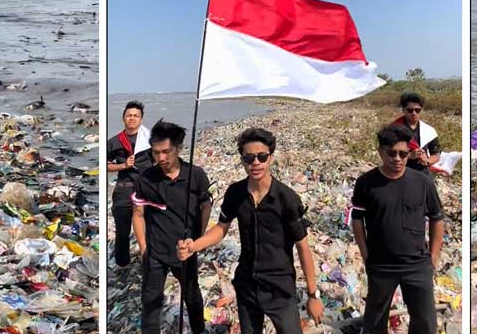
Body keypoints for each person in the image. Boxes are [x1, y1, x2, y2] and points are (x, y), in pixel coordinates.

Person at [177, 128, 323, 334]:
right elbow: (221, 228)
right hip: (247, 284)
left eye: (261, 157)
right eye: (249, 158)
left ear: (270, 158)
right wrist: (194, 245)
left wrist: (313, 295)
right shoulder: (235, 193)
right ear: (242, 159)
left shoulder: (287, 198)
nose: (255, 163)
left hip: (279, 286)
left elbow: (302, 246)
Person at [350, 125, 444, 334]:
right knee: (374, 322)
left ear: (409, 154)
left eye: (403, 154)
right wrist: (366, 255)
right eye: (391, 153)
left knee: (426, 321)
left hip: (417, 265)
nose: (397, 159)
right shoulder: (366, 183)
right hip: (381, 266)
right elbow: (357, 219)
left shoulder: (422, 182)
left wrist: (434, 256)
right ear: (381, 151)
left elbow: (437, 218)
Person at [131, 120, 212, 334]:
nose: (161, 158)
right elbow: (138, 213)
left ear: (179, 148)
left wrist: (198, 241)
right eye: (156, 152)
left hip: (185, 249)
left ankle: (198, 329)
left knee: (192, 295)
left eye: (166, 151)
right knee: (150, 301)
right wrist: (143, 247)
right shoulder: (146, 179)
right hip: (155, 251)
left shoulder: (195, 175)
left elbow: (206, 206)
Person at [106, 101, 152, 268]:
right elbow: (104, 165)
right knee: (122, 230)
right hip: (124, 189)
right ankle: (122, 264)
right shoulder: (114, 142)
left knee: (150, 226)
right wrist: (123, 166)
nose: (132, 118)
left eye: (136, 116)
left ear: (141, 119)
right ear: (123, 118)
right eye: (129, 115)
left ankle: (149, 258)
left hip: (146, 188)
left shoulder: (149, 140)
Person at [394, 92, 441, 174]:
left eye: (417, 110)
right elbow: (387, 153)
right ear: (403, 110)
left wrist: (427, 161)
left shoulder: (429, 130)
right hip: (400, 171)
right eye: (410, 110)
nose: (414, 113)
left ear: (421, 110)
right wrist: (409, 156)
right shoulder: (394, 129)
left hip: (422, 172)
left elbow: (436, 154)